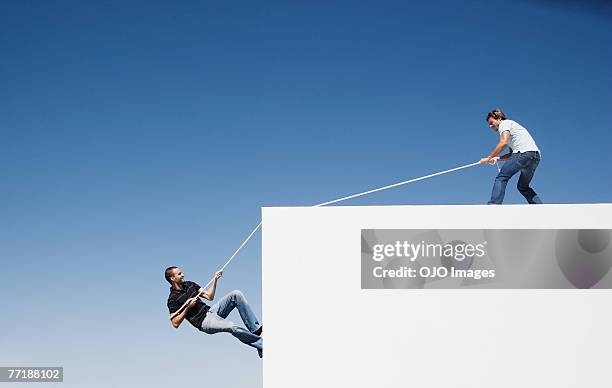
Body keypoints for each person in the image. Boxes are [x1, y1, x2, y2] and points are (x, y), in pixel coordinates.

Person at [165, 266, 263, 358]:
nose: (182, 275)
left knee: (236, 294)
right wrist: (187, 307)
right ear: (172, 278)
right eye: (179, 274)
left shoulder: (190, 284)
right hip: (204, 322)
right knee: (231, 326)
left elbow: (209, 296)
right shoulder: (173, 299)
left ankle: (255, 330)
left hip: (211, 311)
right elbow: (175, 323)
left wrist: (215, 279)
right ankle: (262, 345)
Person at [480, 108, 543, 205]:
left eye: (491, 122)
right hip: (534, 157)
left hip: (524, 154)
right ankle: (539, 207)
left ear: (499, 118)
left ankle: (494, 204)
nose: (490, 126)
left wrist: (488, 158)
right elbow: (512, 154)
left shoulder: (504, 124)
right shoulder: (511, 128)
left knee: (502, 177)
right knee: (523, 187)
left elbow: (503, 142)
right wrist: (497, 158)